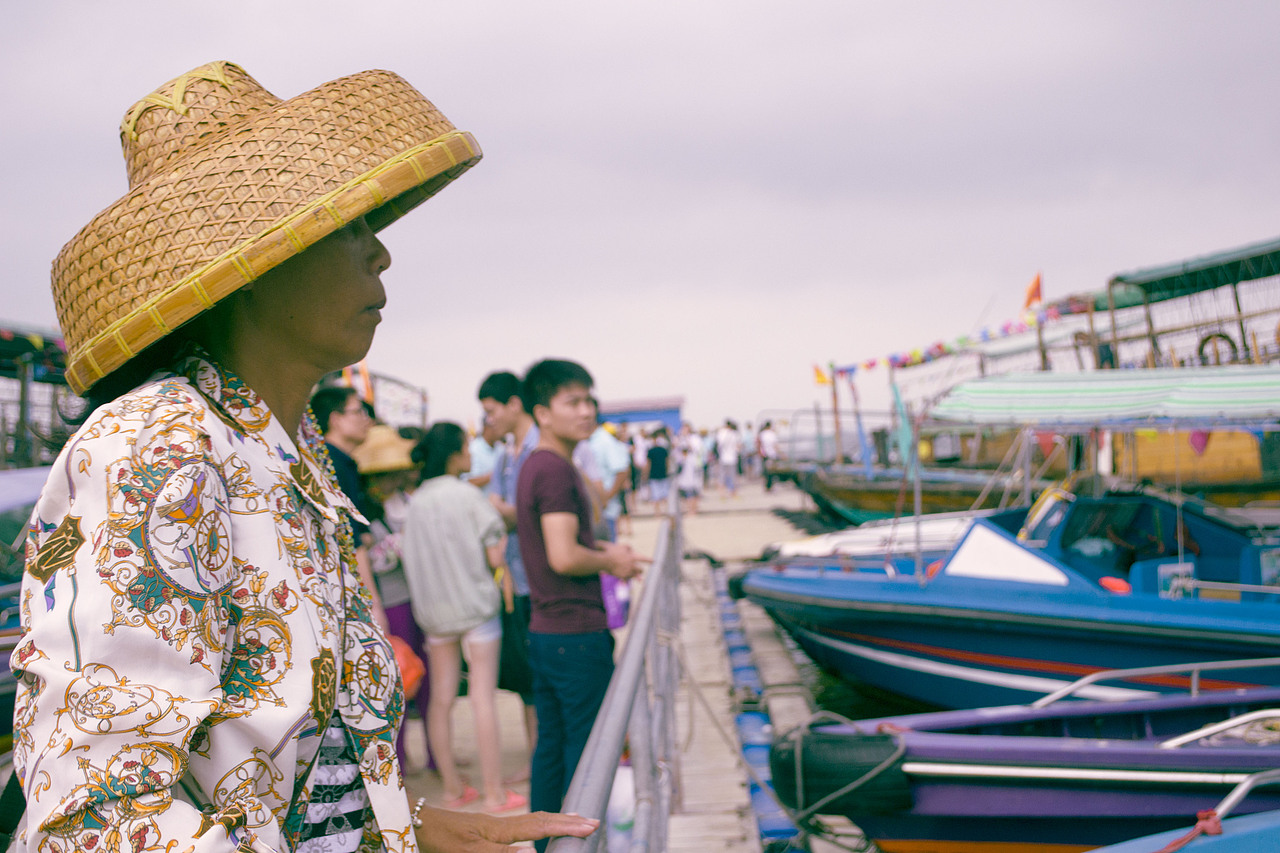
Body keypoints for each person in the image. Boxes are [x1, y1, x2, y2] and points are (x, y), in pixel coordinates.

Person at [10, 61, 596, 853]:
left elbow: (278, 772)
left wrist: (405, 829)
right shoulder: (157, 445)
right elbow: (99, 820)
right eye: (347, 225)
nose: (379, 253)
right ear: (247, 263)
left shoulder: (291, 451)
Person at [515, 359, 644, 851]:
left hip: (547, 631)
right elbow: (564, 554)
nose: (586, 411)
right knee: (587, 753)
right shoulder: (552, 469)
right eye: (573, 402)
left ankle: (548, 844)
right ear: (543, 412)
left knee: (551, 749)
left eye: (590, 400)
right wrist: (612, 561)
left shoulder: (538, 463)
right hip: (574, 632)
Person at [400, 423, 526, 815]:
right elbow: (493, 558)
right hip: (476, 609)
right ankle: (494, 794)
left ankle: (454, 789)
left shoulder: (415, 502)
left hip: (435, 615)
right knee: (482, 697)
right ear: (454, 454)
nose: (471, 452)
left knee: (440, 701)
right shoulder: (469, 496)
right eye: (467, 446)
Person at [353, 424, 434, 773]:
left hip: (414, 599)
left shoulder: (404, 503)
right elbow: (375, 561)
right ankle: (400, 760)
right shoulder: (364, 511)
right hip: (390, 605)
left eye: (393, 473)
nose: (390, 480)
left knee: (422, 681)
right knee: (400, 684)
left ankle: (432, 754)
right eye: (382, 474)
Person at [477, 370, 539, 771]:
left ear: (514, 404)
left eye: (491, 411)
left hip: (545, 581)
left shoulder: (540, 452)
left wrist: (507, 512)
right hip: (518, 581)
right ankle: (539, 755)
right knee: (530, 682)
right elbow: (507, 513)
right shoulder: (506, 456)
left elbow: (524, 514)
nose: (488, 421)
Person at [311, 385, 391, 634]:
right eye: (359, 412)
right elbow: (350, 540)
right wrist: (374, 604)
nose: (367, 420)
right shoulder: (333, 463)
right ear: (335, 419)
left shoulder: (327, 458)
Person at [645, 427, 672, 511]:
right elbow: (667, 462)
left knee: (655, 495)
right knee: (664, 494)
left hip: (654, 474)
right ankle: (666, 511)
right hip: (662, 473)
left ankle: (658, 512)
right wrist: (667, 471)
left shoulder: (651, 451)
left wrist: (646, 474)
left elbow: (648, 464)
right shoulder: (663, 450)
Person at [759, 420, 781, 491]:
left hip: (765, 455)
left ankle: (767, 486)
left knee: (766, 472)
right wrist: (780, 453)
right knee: (773, 472)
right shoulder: (772, 434)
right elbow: (775, 445)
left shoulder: (762, 434)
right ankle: (771, 486)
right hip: (772, 455)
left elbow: (760, 445)